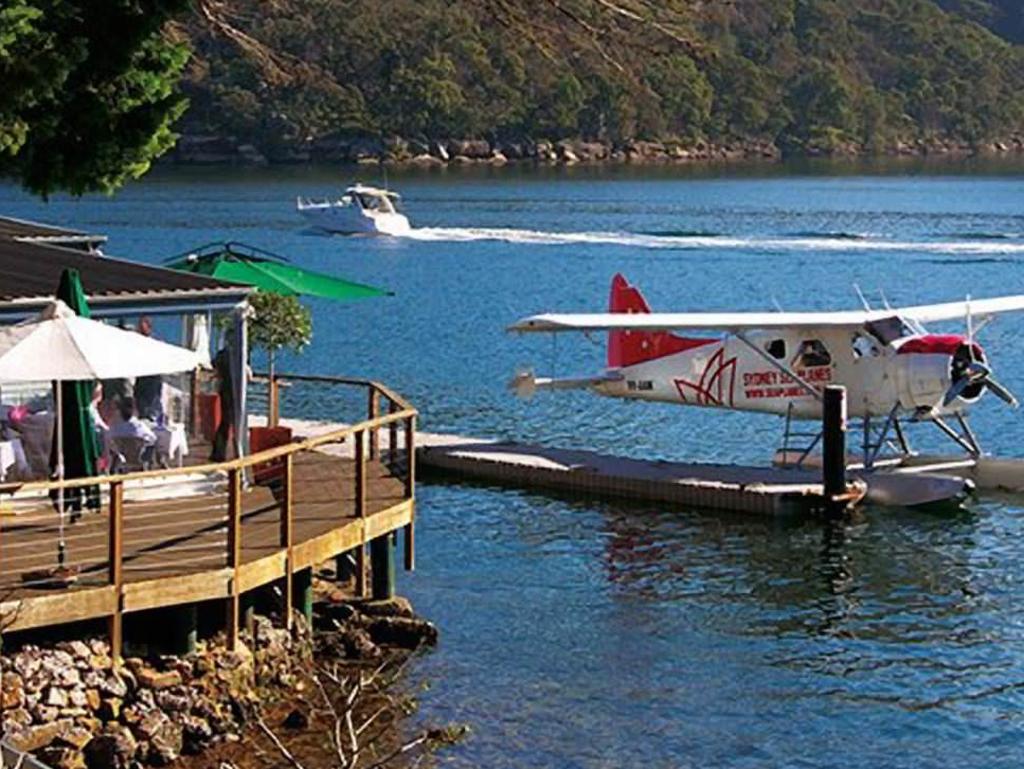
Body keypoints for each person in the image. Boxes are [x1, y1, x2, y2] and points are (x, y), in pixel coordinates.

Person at [108, 397, 157, 468]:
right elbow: (153, 438)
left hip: (121, 458)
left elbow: (110, 439)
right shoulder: (137, 425)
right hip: (138, 458)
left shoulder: (114, 426)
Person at [134, 316, 164, 421]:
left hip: (152, 380)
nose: (138, 329)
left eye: (141, 326)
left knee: (151, 408)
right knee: (142, 408)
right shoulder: (136, 342)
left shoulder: (155, 343)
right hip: (141, 381)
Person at [210, 345, 234, 462]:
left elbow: (213, 363)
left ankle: (219, 452)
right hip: (231, 390)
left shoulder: (222, 354)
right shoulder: (235, 354)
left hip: (224, 389)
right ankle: (220, 453)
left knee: (225, 422)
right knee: (228, 422)